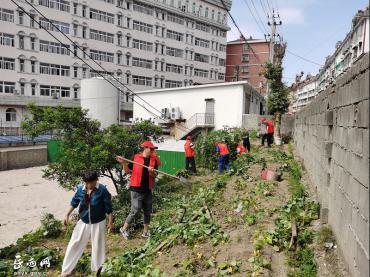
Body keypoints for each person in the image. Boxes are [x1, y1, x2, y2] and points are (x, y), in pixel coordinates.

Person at [61, 170, 113, 277]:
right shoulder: (81, 189)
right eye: (87, 183)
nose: (89, 185)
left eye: (92, 182)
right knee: (74, 244)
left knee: (98, 247)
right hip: (83, 222)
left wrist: (110, 222)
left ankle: (98, 271)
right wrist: (67, 214)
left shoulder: (102, 190)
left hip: (98, 222)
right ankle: (66, 271)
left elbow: (108, 207)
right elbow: (74, 202)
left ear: (96, 180)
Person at [116, 141, 160, 240]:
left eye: (154, 149)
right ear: (145, 148)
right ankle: (124, 229)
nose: (153, 151)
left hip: (147, 189)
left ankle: (145, 232)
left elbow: (155, 175)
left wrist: (151, 172)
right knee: (135, 210)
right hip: (136, 188)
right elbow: (127, 171)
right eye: (151, 149)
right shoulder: (135, 158)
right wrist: (124, 163)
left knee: (147, 211)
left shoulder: (154, 161)